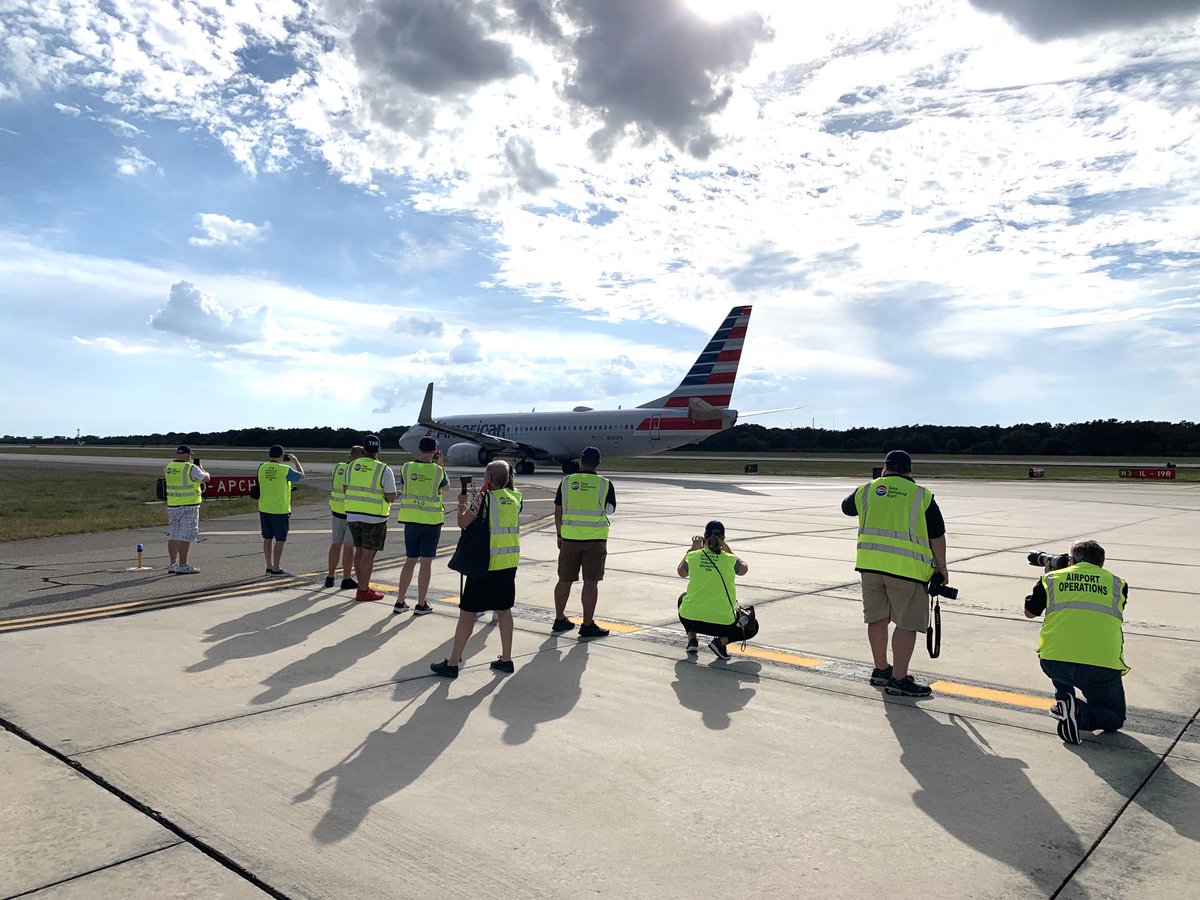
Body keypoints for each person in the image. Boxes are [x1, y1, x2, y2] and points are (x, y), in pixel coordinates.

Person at [841, 449, 948, 697]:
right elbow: (937, 535)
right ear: (909, 471)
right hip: (906, 570)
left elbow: (846, 508)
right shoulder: (921, 495)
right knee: (907, 623)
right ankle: (899, 679)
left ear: (885, 468)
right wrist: (941, 566)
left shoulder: (866, 490)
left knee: (877, 618)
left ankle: (881, 670)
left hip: (870, 566)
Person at [1024, 540, 1130, 745]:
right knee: (1114, 718)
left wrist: (1049, 575)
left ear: (1071, 560)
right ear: (1101, 563)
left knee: (1062, 652)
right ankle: (1078, 712)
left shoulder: (1051, 579)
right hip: (1100, 667)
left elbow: (1029, 613)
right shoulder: (1118, 584)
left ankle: (1065, 702)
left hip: (1055, 662)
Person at [431, 460, 522, 678]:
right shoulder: (515, 499)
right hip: (508, 563)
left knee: (467, 613)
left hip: (485, 564)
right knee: (504, 610)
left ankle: (453, 662)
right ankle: (506, 659)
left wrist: (462, 503)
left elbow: (463, 523)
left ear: (489, 478)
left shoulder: (483, 499)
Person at [551, 446, 616, 638]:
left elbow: (558, 510)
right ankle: (587, 624)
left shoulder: (566, 482)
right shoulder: (605, 484)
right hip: (595, 540)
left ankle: (559, 619)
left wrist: (559, 534)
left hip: (569, 539)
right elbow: (610, 510)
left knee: (564, 580)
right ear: (598, 463)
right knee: (590, 583)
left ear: (581, 461)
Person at [676, 520, 754, 659]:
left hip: (692, 619)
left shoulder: (694, 556)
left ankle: (692, 639)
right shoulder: (730, 559)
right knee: (752, 626)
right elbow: (744, 569)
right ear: (723, 538)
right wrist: (729, 551)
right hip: (722, 625)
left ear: (704, 536)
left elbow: (681, 572)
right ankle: (720, 643)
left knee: (683, 599)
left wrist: (692, 549)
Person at [394, 436, 449, 615]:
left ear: (418, 449)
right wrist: (440, 463)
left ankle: (400, 601)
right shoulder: (438, 471)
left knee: (410, 561)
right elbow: (446, 488)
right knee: (426, 563)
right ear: (434, 452)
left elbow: (404, 484)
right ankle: (420, 603)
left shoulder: (406, 467)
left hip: (411, 520)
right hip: (431, 522)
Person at [343, 434, 398, 602]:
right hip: (374, 517)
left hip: (353, 514)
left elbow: (345, 489)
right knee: (368, 555)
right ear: (378, 450)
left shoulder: (351, 466)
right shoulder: (383, 469)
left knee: (359, 550)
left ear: (363, 449)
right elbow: (391, 497)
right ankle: (363, 589)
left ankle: (362, 587)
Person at [258, 444, 304, 576]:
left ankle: (269, 566)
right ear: (282, 456)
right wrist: (295, 461)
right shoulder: (284, 469)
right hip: (280, 509)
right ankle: (276, 568)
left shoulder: (262, 467)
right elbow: (301, 475)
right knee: (280, 539)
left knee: (267, 538)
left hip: (264, 507)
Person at [164, 444, 210, 574]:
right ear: (187, 455)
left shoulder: (169, 467)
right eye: (189, 455)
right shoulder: (191, 468)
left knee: (173, 534)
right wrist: (203, 469)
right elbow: (206, 479)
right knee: (185, 535)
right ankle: (183, 564)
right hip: (189, 505)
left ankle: (173, 564)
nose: (190, 458)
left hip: (173, 505)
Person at [325, 445, 363, 590]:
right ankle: (346, 578)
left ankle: (330, 577)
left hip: (336, 510)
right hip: (351, 512)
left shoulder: (338, 467)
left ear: (350, 455)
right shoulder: (358, 470)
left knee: (335, 544)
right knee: (348, 546)